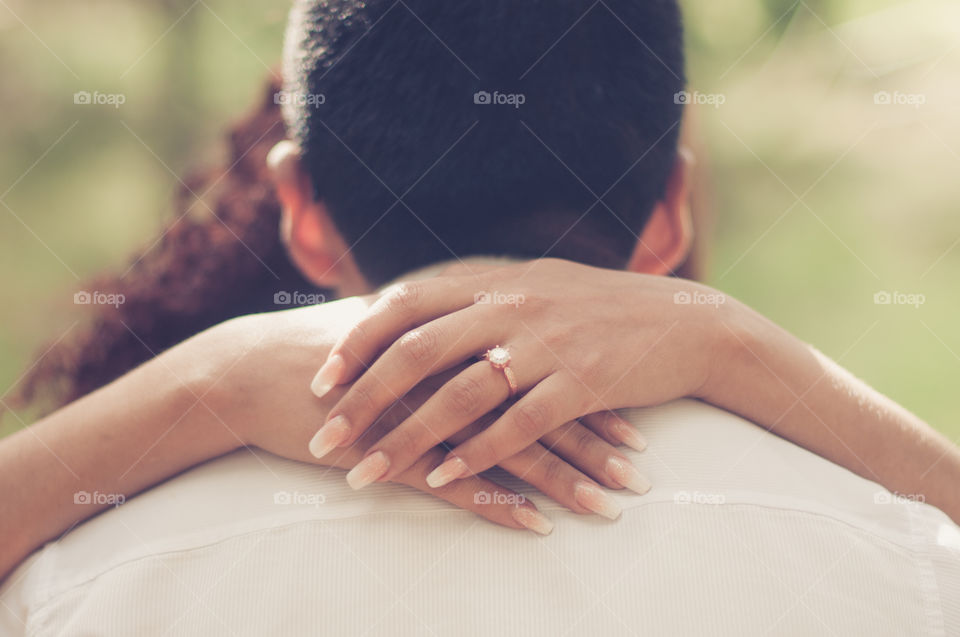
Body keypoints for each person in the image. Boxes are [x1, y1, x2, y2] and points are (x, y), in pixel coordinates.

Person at [1, 0, 958, 634]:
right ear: (674, 209)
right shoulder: (912, 568)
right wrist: (729, 339)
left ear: (298, 207)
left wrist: (209, 382)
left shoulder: (71, 586)